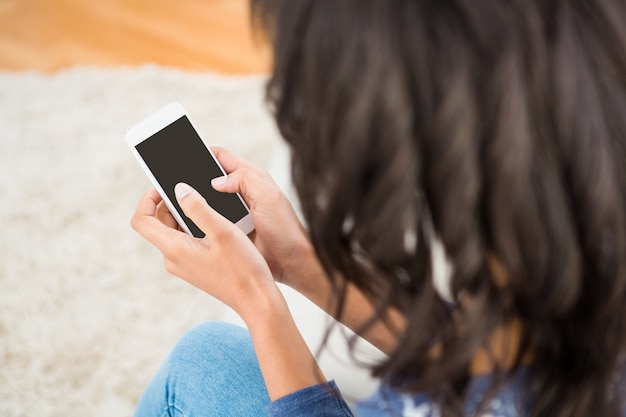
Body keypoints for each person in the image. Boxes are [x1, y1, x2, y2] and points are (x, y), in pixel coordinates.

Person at [130, 0, 626, 416]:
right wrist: (296, 261)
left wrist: (258, 301)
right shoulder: (574, 227)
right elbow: (484, 350)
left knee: (199, 363)